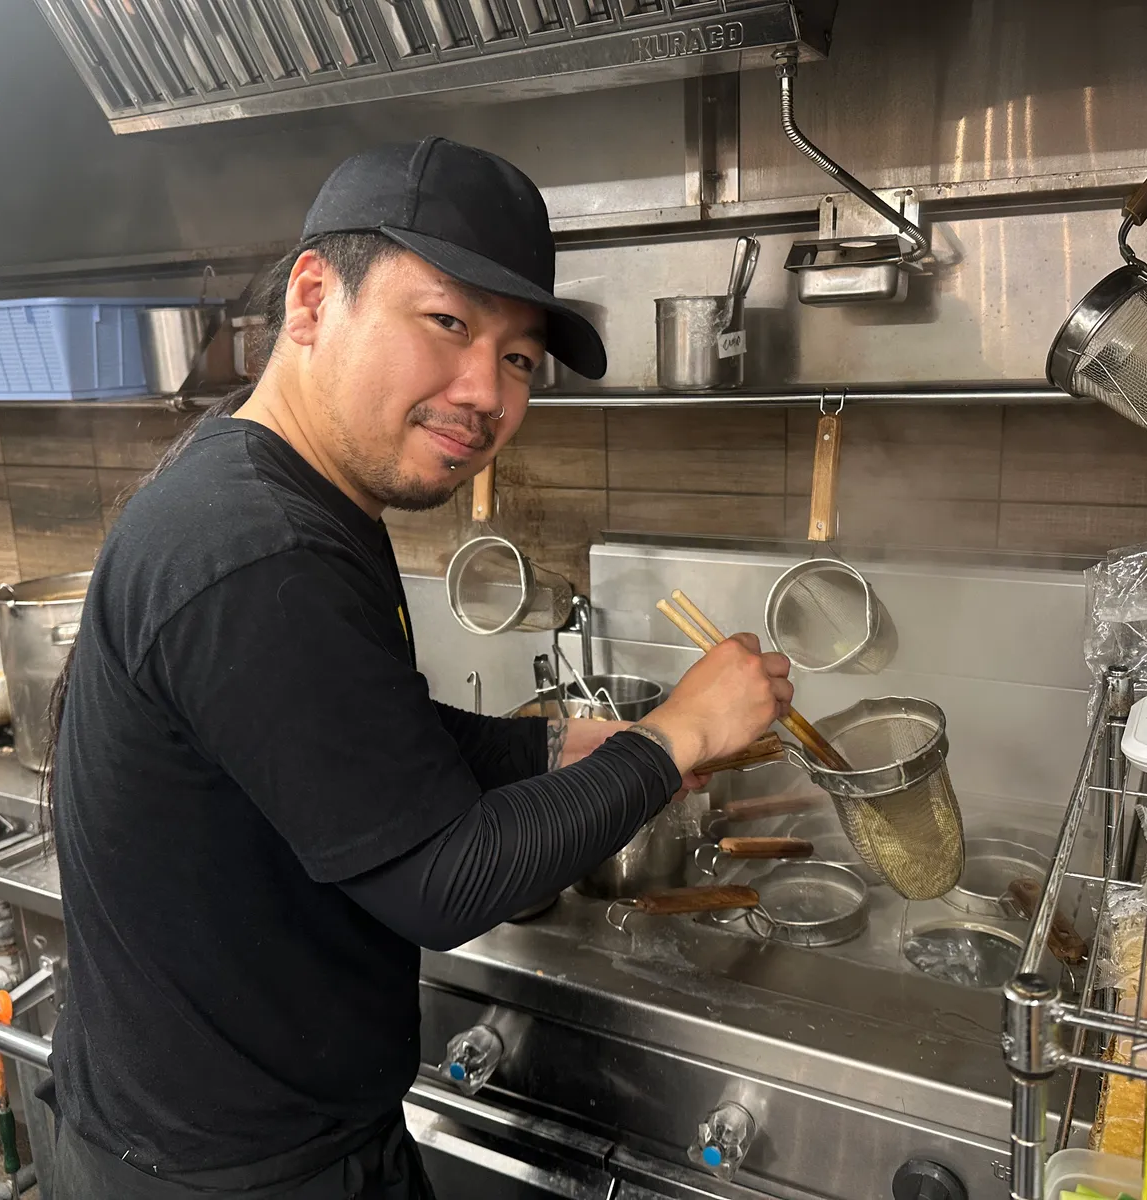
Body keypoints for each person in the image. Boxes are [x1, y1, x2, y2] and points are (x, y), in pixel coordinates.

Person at [42, 137, 794, 1199]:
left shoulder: (276, 488)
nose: (484, 391)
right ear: (312, 300)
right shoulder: (263, 551)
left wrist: (550, 745)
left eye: (521, 358)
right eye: (447, 323)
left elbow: (362, 736)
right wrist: (677, 738)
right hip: (235, 1172)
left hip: (226, 1130)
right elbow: (443, 884)